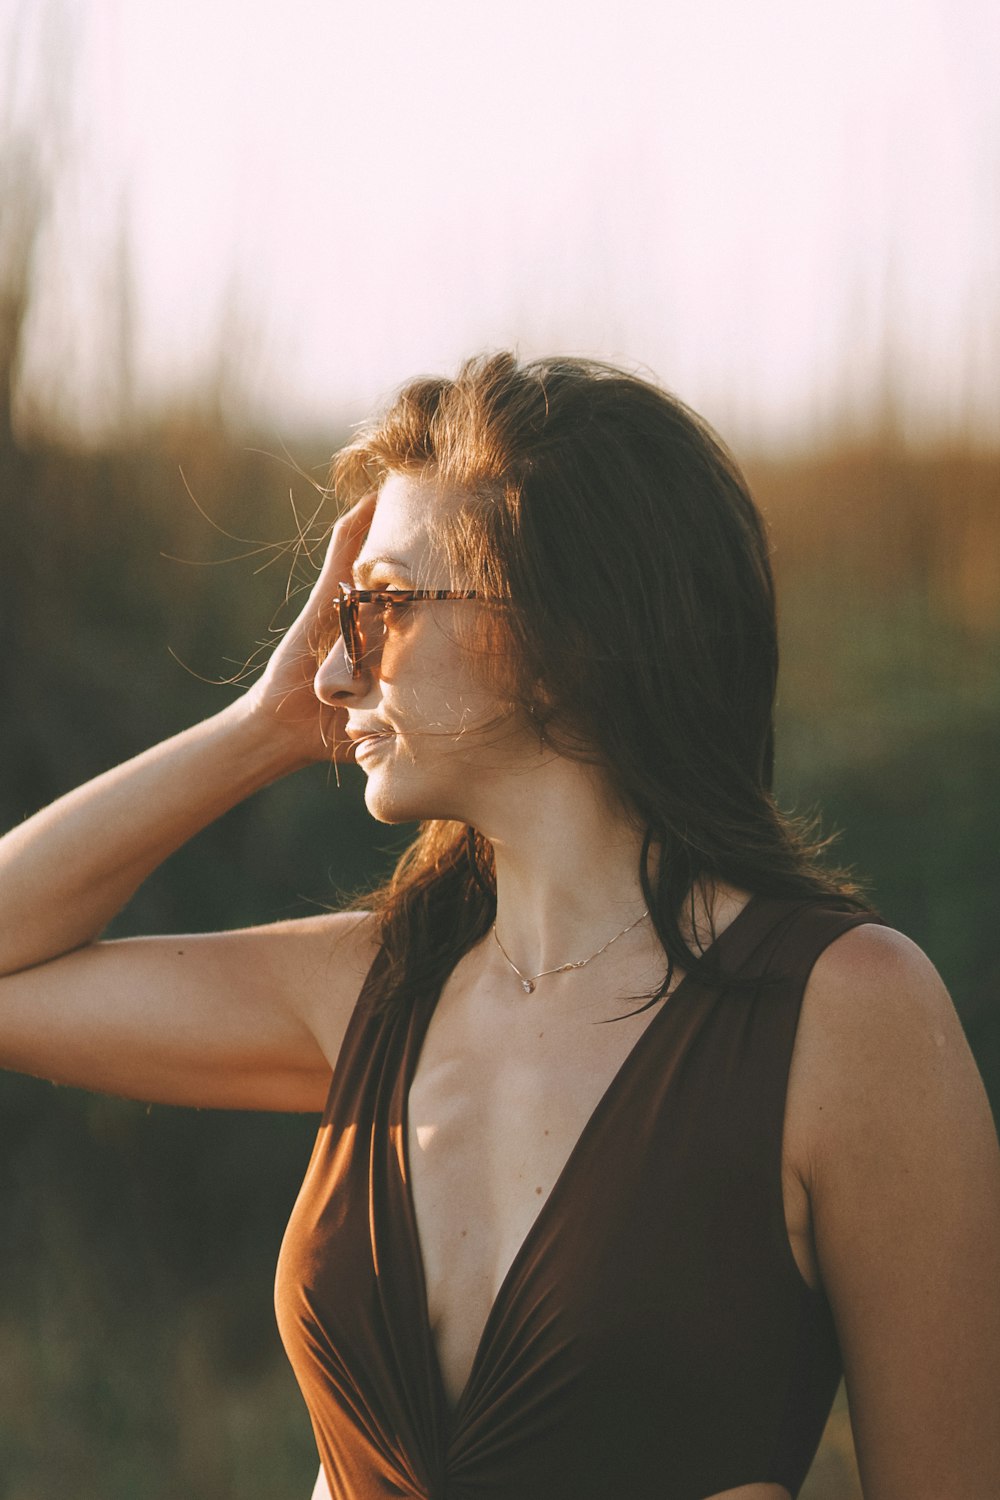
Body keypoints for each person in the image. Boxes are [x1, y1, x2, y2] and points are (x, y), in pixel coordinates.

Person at [1, 352, 998, 1500]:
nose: (333, 665)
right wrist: (257, 727)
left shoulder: (844, 1015)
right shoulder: (371, 989)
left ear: (567, 633)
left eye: (376, 607)